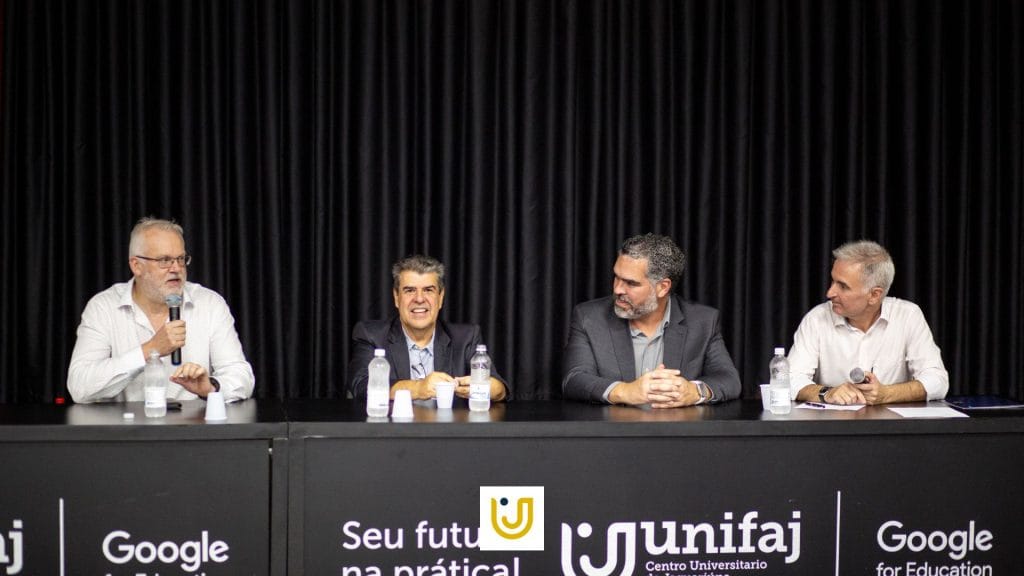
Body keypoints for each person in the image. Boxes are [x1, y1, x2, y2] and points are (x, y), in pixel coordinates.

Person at [67, 218, 254, 403]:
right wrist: (150, 350)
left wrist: (210, 388)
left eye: (181, 259)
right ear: (136, 266)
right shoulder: (103, 307)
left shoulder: (209, 304)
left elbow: (241, 376)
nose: (176, 268)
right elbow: (80, 386)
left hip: (195, 421)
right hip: (127, 422)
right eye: (165, 260)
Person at [562, 233, 741, 407]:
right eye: (616, 277)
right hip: (614, 427)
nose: (617, 289)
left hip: (677, 427)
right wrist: (625, 391)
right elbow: (574, 379)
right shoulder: (589, 318)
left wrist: (695, 392)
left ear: (663, 287)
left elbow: (729, 379)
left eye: (631, 283)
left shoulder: (703, 321)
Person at [788, 240, 948, 405]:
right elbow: (790, 379)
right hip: (833, 420)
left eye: (843, 286)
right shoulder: (817, 318)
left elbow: (937, 380)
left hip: (890, 421)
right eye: (833, 281)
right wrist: (827, 393)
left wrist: (887, 393)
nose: (830, 293)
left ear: (874, 295)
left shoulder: (907, 316)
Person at [348, 255, 509, 402]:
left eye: (428, 290)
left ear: (440, 297)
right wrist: (418, 388)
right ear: (396, 297)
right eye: (410, 290)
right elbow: (361, 386)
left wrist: (479, 387)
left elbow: (500, 389)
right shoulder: (371, 335)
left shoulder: (466, 337)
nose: (419, 299)